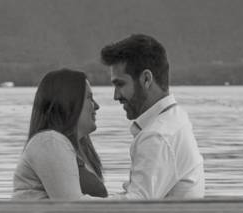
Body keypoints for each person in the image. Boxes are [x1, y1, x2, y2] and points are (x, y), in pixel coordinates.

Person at [99, 33, 204, 200]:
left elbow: (137, 205)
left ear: (146, 79)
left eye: (120, 84)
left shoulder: (157, 135)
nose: (116, 96)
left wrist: (77, 202)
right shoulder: (174, 120)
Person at [12, 69, 110, 201]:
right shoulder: (49, 142)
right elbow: (71, 204)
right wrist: (127, 200)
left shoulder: (77, 150)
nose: (96, 106)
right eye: (89, 98)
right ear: (68, 102)